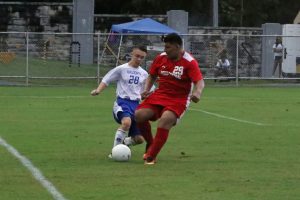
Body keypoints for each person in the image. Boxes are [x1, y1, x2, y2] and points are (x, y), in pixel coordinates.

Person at [135, 33, 205, 165]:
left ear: (177, 47)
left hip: (178, 99)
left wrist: (197, 93)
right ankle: (151, 142)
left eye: (168, 47)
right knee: (139, 115)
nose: (165, 50)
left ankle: (151, 156)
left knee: (165, 120)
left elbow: (200, 81)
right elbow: (152, 75)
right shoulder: (161, 58)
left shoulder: (189, 62)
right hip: (160, 95)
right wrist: (147, 89)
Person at [91, 46, 149, 157]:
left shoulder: (144, 74)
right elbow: (107, 79)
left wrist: (146, 95)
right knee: (126, 123)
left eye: (142, 57)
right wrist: (98, 90)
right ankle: (115, 152)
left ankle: (124, 143)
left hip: (136, 106)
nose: (139, 59)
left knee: (140, 139)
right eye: (137, 56)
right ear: (132, 54)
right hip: (123, 102)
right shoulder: (122, 69)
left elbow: (145, 92)